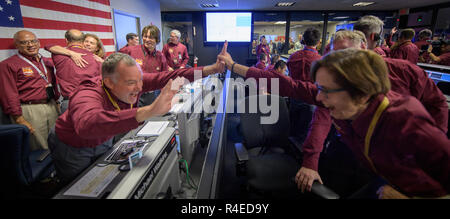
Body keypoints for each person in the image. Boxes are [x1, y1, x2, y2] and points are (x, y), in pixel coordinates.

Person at [218, 43, 450, 198]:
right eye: (319, 88)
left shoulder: (406, 121)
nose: (318, 98)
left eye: (326, 90)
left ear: (360, 91)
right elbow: (288, 85)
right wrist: (233, 66)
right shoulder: (344, 103)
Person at [297, 18, 448, 194]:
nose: (337, 61)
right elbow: (315, 111)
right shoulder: (341, 106)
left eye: (344, 54)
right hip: (365, 163)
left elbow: (437, 105)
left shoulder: (404, 118)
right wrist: (310, 160)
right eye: (334, 54)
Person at [48, 52, 224, 183]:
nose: (139, 87)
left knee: (103, 180)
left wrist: (212, 69)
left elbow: (169, 76)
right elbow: (87, 125)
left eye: (140, 80)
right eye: (132, 83)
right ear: (109, 82)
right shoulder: (87, 93)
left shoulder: (131, 80)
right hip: (73, 145)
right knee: (80, 186)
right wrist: (148, 111)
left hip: (103, 138)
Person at [0, 30, 60, 150]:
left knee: (57, 142)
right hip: (29, 110)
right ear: (17, 45)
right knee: (38, 147)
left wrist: (56, 101)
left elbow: (53, 84)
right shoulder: (8, 65)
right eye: (24, 42)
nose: (30, 45)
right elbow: (8, 93)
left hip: (51, 105)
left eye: (33, 41)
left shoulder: (46, 62)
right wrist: (18, 118)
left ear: (38, 43)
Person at [45, 29, 102, 113]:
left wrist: (71, 53)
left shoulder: (58, 55)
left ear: (66, 40)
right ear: (82, 41)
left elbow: (48, 46)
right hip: (92, 101)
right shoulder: (96, 59)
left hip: (70, 103)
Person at [286, 27, 322, 143]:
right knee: (306, 134)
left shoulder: (293, 57)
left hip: (295, 98)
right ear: (318, 42)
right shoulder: (320, 60)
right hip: (310, 101)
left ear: (303, 40)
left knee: (293, 130)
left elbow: (290, 74)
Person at [119, 25, 169, 106]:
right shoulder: (130, 50)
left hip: (152, 94)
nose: (147, 40)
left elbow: (164, 77)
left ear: (157, 39)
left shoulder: (161, 56)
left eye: (151, 37)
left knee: (152, 117)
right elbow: (114, 60)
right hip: (134, 94)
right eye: (145, 36)